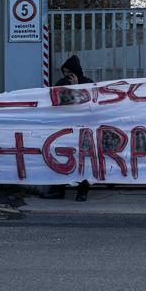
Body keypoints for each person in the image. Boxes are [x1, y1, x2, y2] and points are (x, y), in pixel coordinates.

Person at [54, 56, 92, 202]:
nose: (66, 75)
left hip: (83, 129)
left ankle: (82, 191)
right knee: (61, 158)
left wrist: (76, 87)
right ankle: (58, 189)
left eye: (69, 72)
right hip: (65, 129)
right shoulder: (61, 83)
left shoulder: (87, 83)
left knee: (83, 161)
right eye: (64, 72)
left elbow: (89, 104)